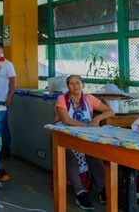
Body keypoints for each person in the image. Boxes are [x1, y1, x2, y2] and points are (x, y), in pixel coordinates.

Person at [54, 75, 114, 210]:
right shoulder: (61, 99)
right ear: (67, 86)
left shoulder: (89, 98)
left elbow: (110, 111)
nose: (75, 86)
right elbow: (66, 120)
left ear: (83, 85)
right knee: (71, 157)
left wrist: (97, 119)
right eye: (71, 83)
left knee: (94, 155)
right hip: (65, 135)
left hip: (84, 135)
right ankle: (80, 192)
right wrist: (86, 126)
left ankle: (103, 189)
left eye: (78, 83)